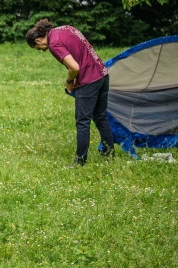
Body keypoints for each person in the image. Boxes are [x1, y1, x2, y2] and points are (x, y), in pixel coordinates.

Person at [25, 19, 115, 166]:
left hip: (88, 81)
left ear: (38, 40)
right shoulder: (66, 28)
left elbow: (74, 67)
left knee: (82, 122)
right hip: (102, 75)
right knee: (100, 117)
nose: (42, 50)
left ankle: (80, 161)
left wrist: (69, 81)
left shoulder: (54, 44)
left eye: (38, 48)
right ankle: (109, 154)